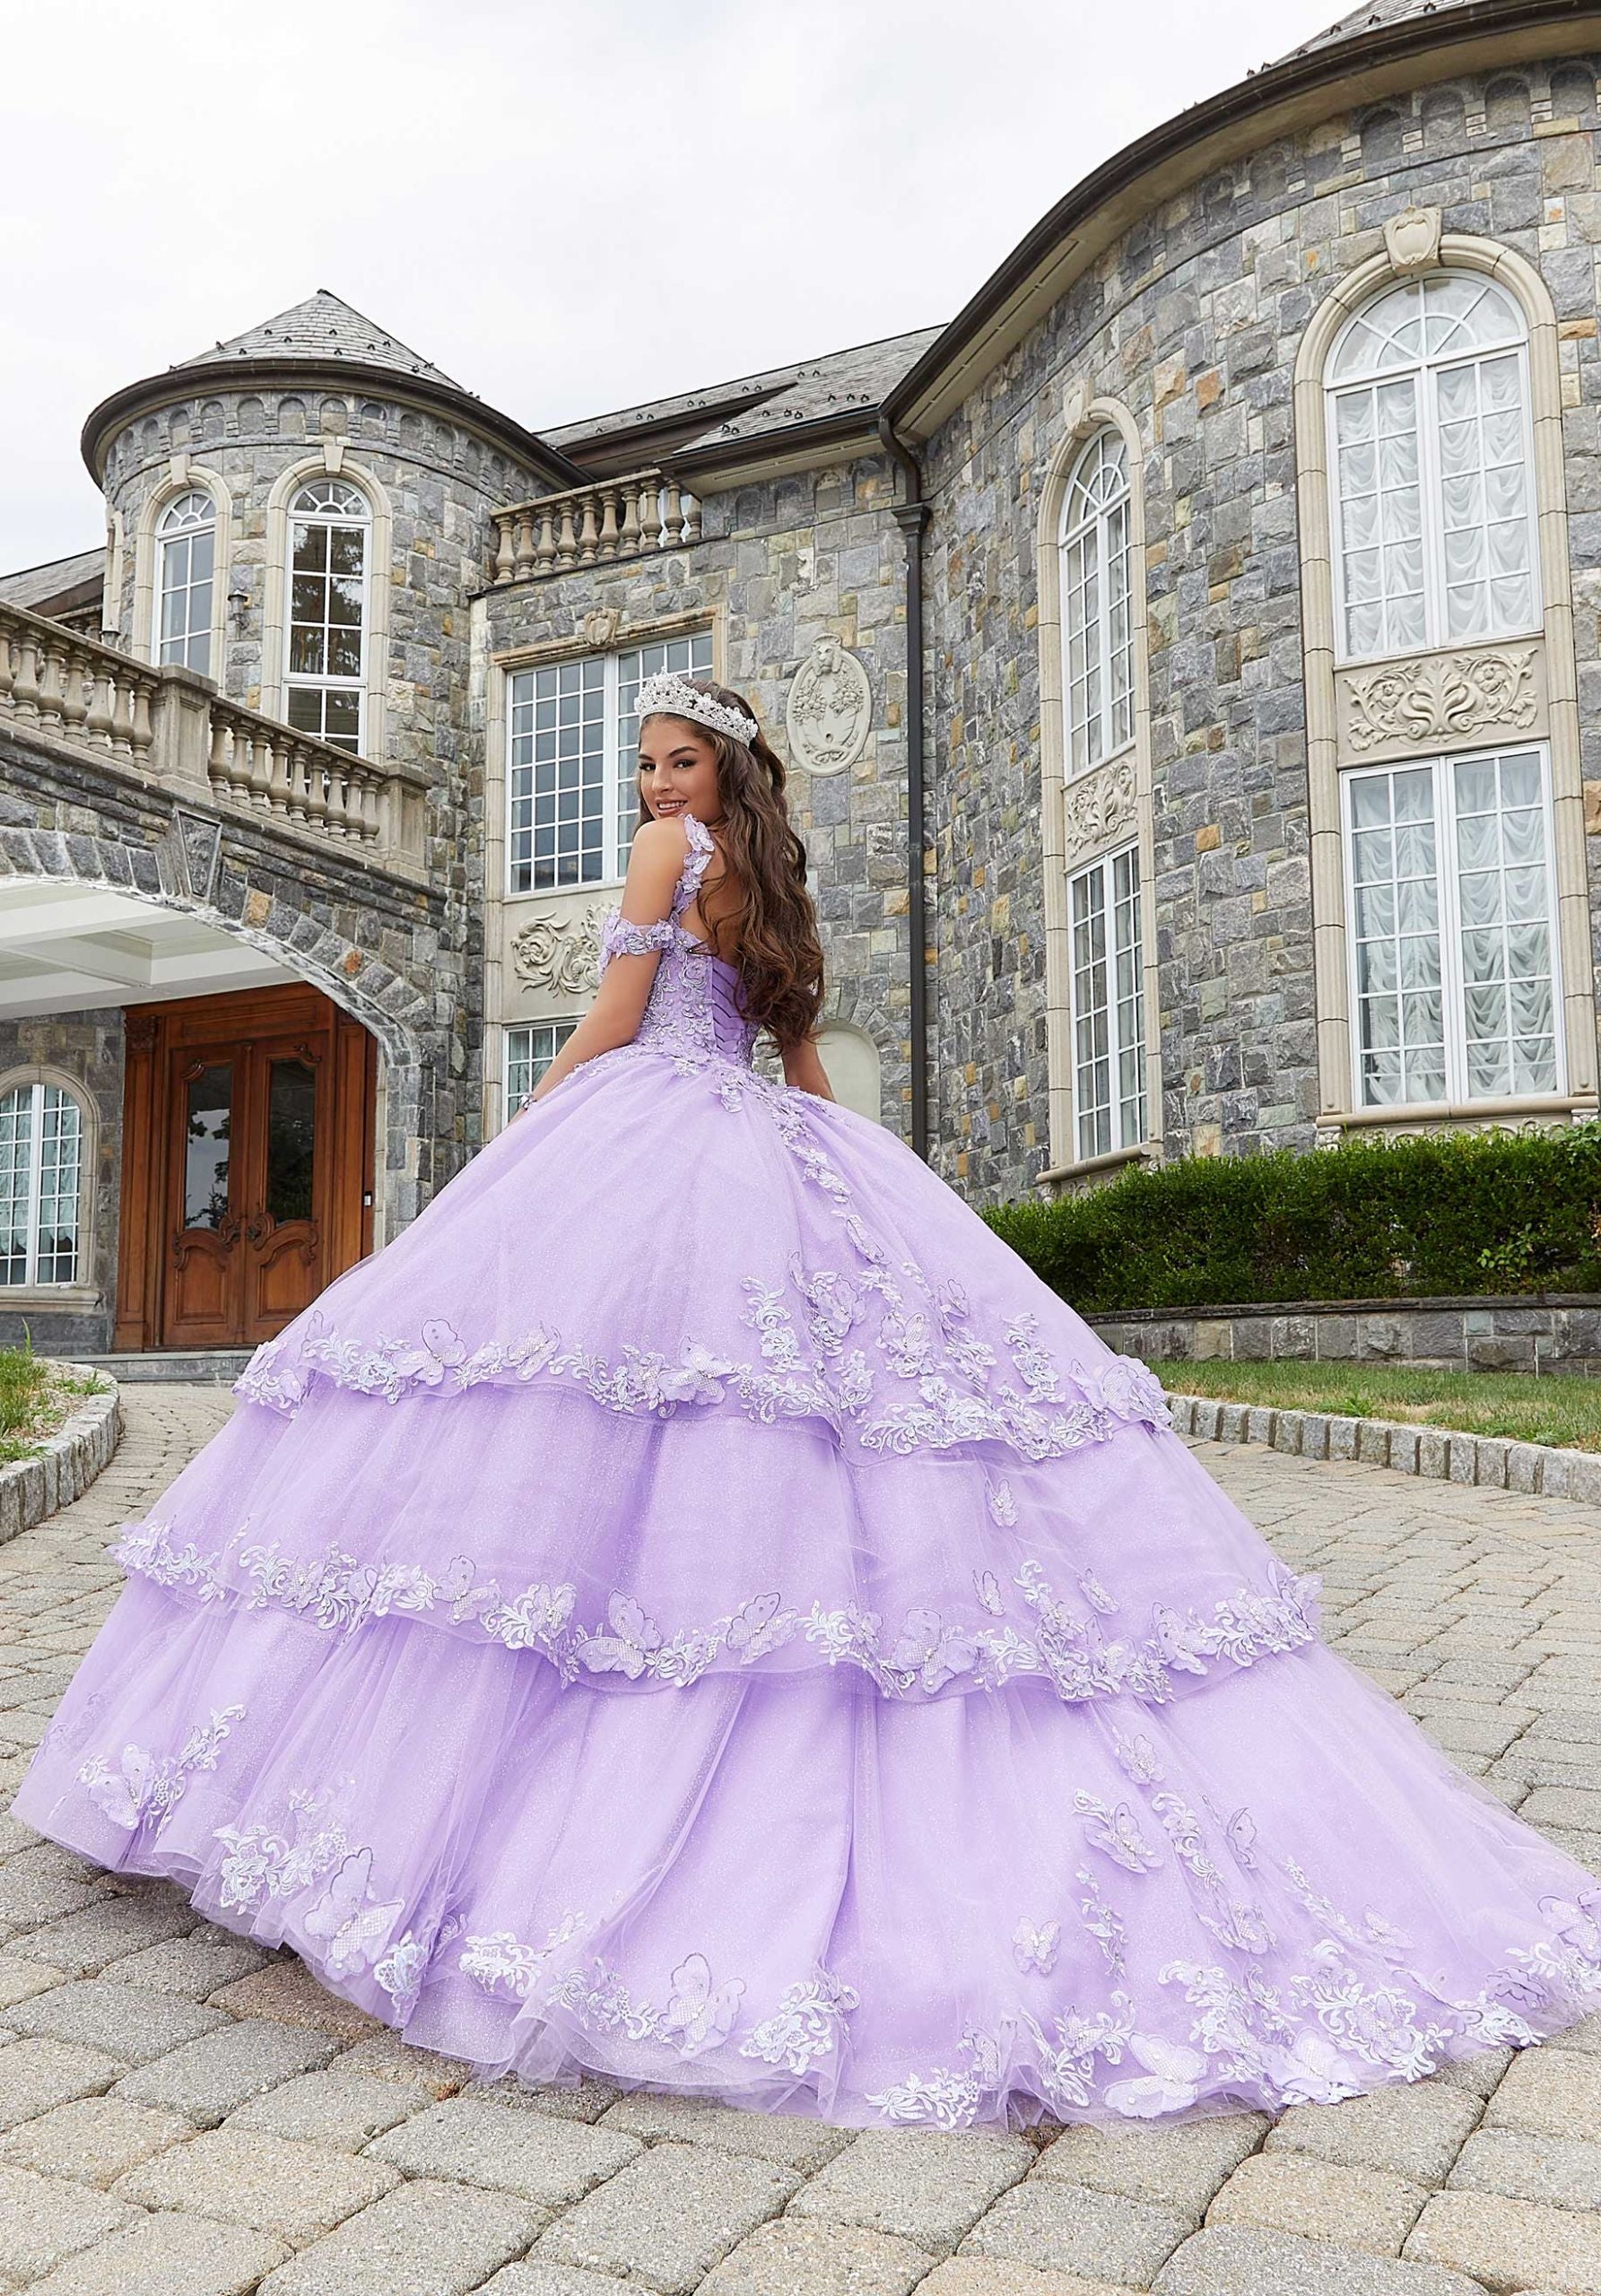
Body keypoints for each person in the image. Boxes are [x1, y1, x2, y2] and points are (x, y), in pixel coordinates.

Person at [14, 672, 1601, 2132]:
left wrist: (517, 1150)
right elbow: (797, 1060)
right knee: (805, 1422)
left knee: (602, 1420)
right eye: (641, 768)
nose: (651, 790)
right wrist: (874, 1192)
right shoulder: (772, 882)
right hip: (767, 1141)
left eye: (674, 763)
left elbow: (611, 1028)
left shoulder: (667, 867)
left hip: (654, 1135)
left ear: (724, 771)